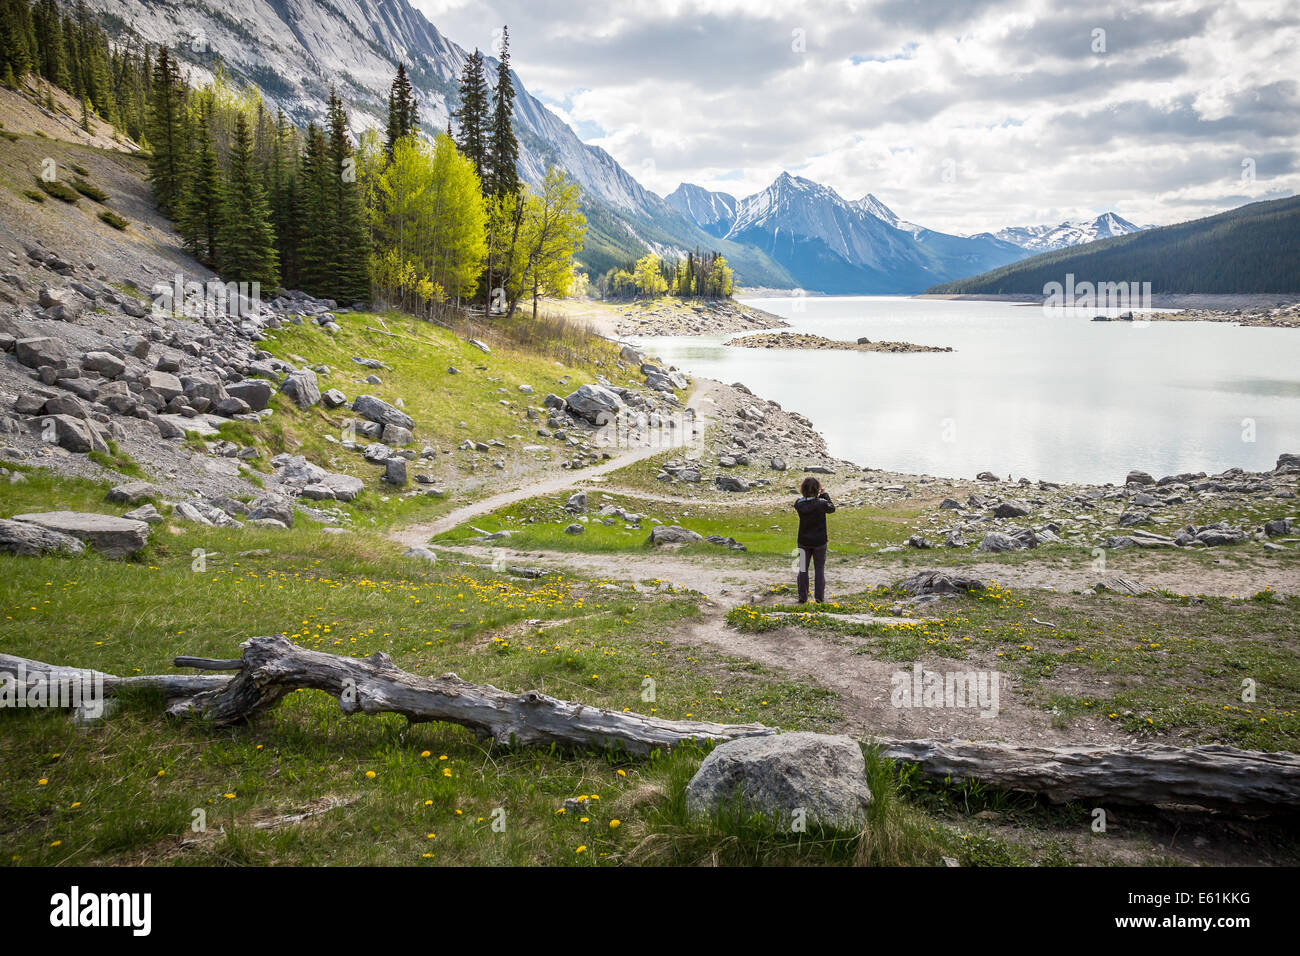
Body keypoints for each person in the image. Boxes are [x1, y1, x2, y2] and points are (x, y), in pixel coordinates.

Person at [793, 476, 835, 603]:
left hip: (804, 540)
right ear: (817, 489)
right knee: (819, 569)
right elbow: (832, 508)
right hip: (820, 541)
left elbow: (805, 502)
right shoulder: (821, 503)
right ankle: (819, 598)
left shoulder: (798, 504)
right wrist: (825, 495)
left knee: (803, 569)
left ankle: (802, 596)